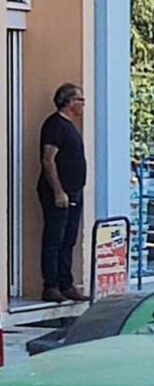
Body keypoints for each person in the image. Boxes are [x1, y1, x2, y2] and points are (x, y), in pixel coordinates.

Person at [38, 83, 88, 303]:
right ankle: (51, 285)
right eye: (80, 100)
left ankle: (66, 283)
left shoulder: (70, 126)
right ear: (69, 102)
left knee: (69, 239)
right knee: (54, 239)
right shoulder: (55, 125)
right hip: (59, 193)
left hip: (75, 191)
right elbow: (48, 160)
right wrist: (58, 191)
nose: (83, 104)